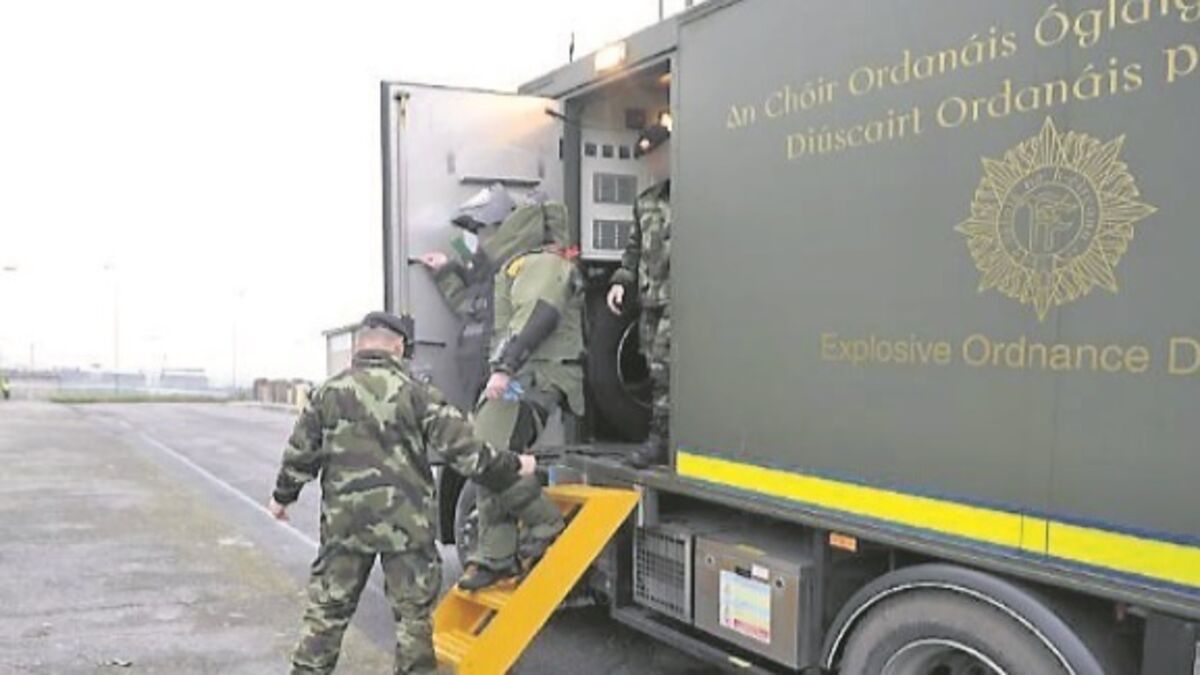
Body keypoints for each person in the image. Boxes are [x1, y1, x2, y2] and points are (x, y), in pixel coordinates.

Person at [266, 311, 536, 675]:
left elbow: (299, 455)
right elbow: (467, 453)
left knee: (326, 615)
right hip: (407, 530)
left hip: (345, 528)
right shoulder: (418, 393)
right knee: (413, 621)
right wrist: (516, 464)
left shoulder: (327, 393)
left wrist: (282, 498)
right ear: (398, 347)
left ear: (359, 346)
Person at [420, 200, 582, 591]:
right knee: (487, 460)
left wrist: (505, 366)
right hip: (514, 376)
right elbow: (473, 310)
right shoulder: (507, 271)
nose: (478, 241)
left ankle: (545, 523)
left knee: (484, 454)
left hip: (534, 375)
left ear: (505, 228)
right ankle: (497, 555)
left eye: (482, 232)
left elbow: (539, 314)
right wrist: (446, 272)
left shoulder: (539, 263)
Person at [607, 122, 673, 468]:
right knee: (652, 365)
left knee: (664, 366)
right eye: (650, 160)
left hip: (681, 300)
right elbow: (633, 249)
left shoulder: (693, 195)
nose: (654, 164)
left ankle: (661, 440)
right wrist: (621, 281)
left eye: (658, 156)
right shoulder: (645, 202)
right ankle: (663, 438)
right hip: (651, 299)